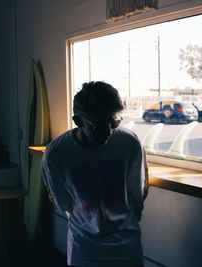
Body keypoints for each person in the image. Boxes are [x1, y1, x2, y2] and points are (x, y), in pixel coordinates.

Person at [41, 81, 149, 267]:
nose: (108, 132)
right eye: (99, 126)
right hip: (85, 244)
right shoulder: (58, 155)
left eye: (113, 122)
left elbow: (139, 189)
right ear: (78, 121)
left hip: (126, 239)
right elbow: (62, 202)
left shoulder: (129, 143)